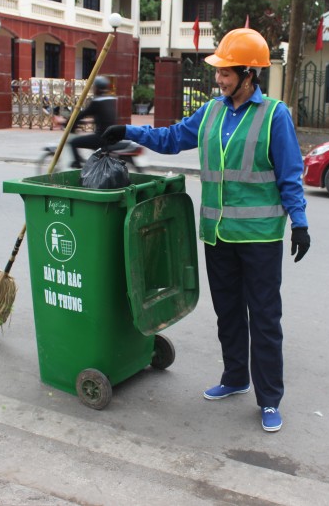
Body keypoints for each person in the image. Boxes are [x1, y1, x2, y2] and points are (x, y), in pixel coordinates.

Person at [101, 28, 310, 433]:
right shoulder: (212, 111)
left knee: (265, 318)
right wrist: (128, 131)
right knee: (228, 313)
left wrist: (299, 223)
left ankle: (269, 399)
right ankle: (235, 378)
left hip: (260, 238)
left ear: (249, 74)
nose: (219, 79)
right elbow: (173, 137)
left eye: (226, 73)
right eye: (218, 73)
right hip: (217, 234)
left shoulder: (274, 115)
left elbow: (290, 175)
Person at [67, 75, 117, 168]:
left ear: (97, 88)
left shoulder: (97, 102)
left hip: (102, 137)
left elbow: (82, 114)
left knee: (73, 142)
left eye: (94, 87)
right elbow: (103, 117)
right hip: (113, 136)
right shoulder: (111, 99)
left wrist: (68, 123)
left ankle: (78, 165)